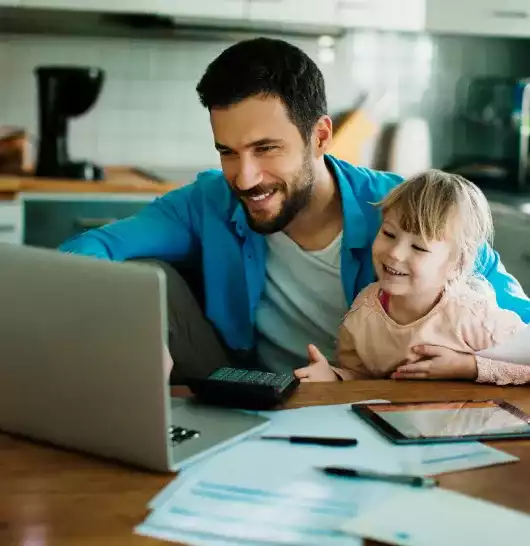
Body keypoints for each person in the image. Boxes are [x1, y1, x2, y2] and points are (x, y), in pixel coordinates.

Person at [58, 37, 530, 383]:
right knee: (143, 274)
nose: (244, 177)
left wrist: (466, 366)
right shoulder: (209, 200)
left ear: (320, 137)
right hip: (246, 389)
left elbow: (522, 332)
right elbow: (94, 248)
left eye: (266, 148)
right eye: (227, 151)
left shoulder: (409, 215)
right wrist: (122, 328)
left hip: (375, 401)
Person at [295, 170, 530, 386]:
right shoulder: (363, 312)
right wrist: (334, 377)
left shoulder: (473, 317)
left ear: (455, 264)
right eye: (388, 233)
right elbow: (362, 379)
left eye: (418, 247)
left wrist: (468, 367)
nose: (395, 253)